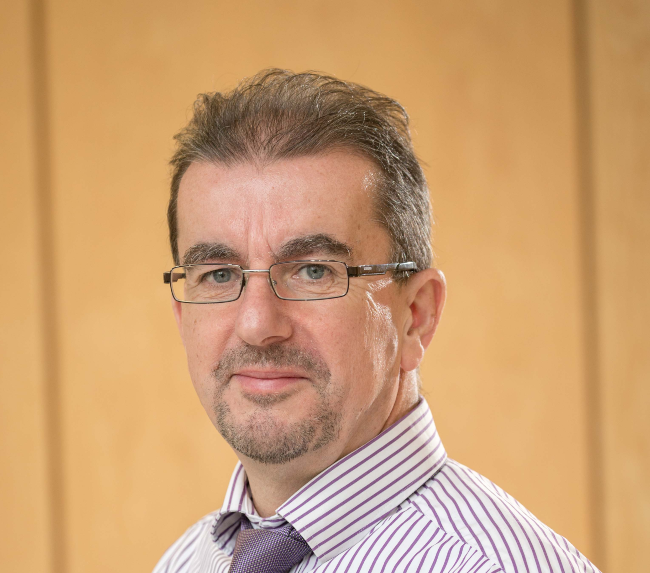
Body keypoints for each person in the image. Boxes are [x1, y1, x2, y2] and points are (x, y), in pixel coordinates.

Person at [153, 69, 600, 573]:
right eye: (218, 275)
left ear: (416, 316)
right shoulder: (186, 561)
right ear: (181, 314)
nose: (257, 324)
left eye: (313, 271)